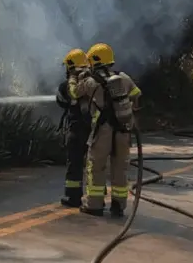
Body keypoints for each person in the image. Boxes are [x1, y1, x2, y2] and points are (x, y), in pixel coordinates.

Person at [70, 43, 142, 217]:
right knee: (120, 168)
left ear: (94, 61)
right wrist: (128, 111)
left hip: (102, 130)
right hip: (123, 130)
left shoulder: (90, 82)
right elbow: (137, 95)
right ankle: (118, 206)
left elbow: (73, 94)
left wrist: (74, 77)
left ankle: (94, 205)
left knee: (96, 167)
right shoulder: (123, 78)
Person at [56, 48, 91, 208]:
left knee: (75, 164)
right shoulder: (94, 82)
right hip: (94, 130)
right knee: (94, 165)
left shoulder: (67, 85)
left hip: (77, 130)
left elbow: (62, 101)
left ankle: (73, 197)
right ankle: (96, 200)